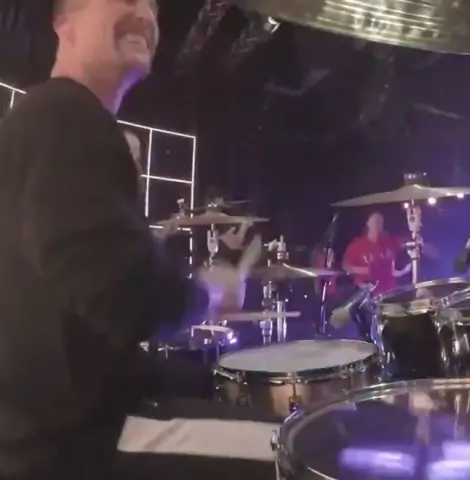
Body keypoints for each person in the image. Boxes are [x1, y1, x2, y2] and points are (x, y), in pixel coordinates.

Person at [0, 1, 273, 479]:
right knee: (310, 449)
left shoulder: (40, 121)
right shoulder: (66, 113)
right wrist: (207, 293)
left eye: (151, 4)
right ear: (63, 22)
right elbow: (119, 290)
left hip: (52, 431)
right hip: (77, 446)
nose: (146, 14)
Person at [343, 212, 411, 295]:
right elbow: (346, 267)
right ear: (368, 223)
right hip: (367, 293)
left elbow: (407, 243)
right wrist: (366, 270)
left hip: (389, 291)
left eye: (380, 222)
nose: (377, 224)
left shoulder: (389, 241)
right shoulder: (356, 245)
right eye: (375, 221)